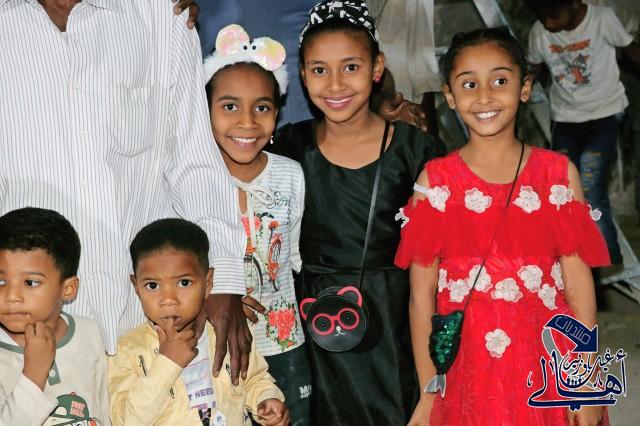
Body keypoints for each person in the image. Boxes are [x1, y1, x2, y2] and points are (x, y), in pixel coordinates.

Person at [0, 0, 252, 381]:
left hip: (154, 330)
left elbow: (193, 159)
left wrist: (225, 279)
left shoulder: (161, 14)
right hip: (27, 340)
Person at [395, 28, 611, 425]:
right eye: (469, 84)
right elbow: (421, 298)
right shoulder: (436, 183)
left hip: (547, 363)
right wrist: (428, 391)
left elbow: (578, 287)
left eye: (499, 81)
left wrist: (584, 381)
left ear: (524, 88)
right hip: (469, 372)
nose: (484, 96)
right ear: (449, 96)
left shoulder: (556, 174)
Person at [271, 2, 446, 424]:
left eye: (351, 67)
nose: (335, 84)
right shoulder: (288, 147)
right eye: (319, 70)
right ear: (302, 74)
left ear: (377, 68)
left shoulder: (416, 151)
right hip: (312, 323)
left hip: (396, 325)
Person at [203, 24, 311, 424]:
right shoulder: (195, 180)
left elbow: (292, 257)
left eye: (262, 107)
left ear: (277, 113)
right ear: (205, 110)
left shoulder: (291, 175)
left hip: (284, 343)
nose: (247, 122)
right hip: (217, 346)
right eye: (230, 106)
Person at [108, 218, 289, 426]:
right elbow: (125, 421)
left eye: (184, 283)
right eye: (152, 285)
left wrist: (266, 400)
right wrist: (167, 363)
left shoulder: (224, 331)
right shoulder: (127, 351)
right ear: (136, 287)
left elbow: (254, 378)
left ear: (208, 282)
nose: (168, 299)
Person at [526, 0, 640, 265]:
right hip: (565, 118)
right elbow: (533, 68)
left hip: (605, 115)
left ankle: (607, 255)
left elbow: (632, 51)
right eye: (542, 17)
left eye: (554, 15)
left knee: (589, 184)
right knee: (563, 186)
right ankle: (572, 250)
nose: (548, 24)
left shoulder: (602, 19)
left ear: (575, 4)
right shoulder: (539, 31)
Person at [0, 207, 109, 425]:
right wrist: (33, 375)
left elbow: (103, 413)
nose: (11, 296)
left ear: (68, 289)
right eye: (1, 281)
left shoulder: (89, 333)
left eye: (30, 282)